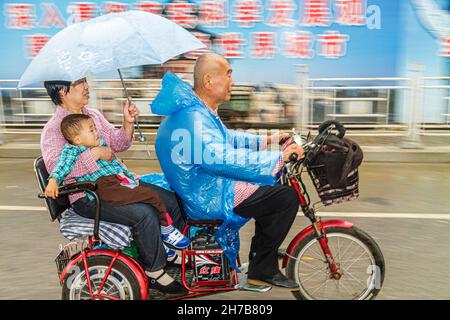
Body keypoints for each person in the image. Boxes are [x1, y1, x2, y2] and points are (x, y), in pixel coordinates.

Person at [152, 53, 304, 290]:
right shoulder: (193, 117)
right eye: (229, 74)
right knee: (285, 198)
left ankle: (262, 257)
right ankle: (262, 269)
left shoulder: (196, 111)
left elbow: (226, 139)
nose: (232, 81)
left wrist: (268, 140)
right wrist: (279, 157)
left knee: (274, 190)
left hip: (204, 185)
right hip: (207, 194)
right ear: (209, 80)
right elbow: (221, 158)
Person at [41, 78, 187, 294]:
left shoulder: (94, 116)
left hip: (118, 181)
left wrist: (127, 122)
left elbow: (118, 144)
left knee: (171, 200)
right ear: (62, 92)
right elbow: (57, 170)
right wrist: (95, 154)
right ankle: (155, 271)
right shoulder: (54, 130)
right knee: (144, 213)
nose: (86, 86)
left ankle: (167, 248)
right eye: (79, 83)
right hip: (88, 195)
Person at [44, 113, 190, 250]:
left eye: (95, 128)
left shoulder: (98, 139)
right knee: (149, 197)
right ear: (77, 139)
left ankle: (163, 241)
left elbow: (115, 150)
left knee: (162, 197)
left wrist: (115, 157)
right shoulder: (71, 150)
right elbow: (61, 167)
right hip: (103, 186)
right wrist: (53, 181)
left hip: (118, 180)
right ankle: (166, 231)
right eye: (91, 130)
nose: (96, 132)